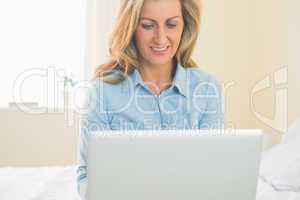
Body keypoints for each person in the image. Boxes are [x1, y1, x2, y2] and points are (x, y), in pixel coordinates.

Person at [77, 0, 224, 199]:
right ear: (131, 27)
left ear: (185, 26)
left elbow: (213, 172)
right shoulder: (102, 93)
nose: (160, 38)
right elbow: (87, 179)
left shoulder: (207, 88)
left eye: (171, 24)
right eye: (147, 25)